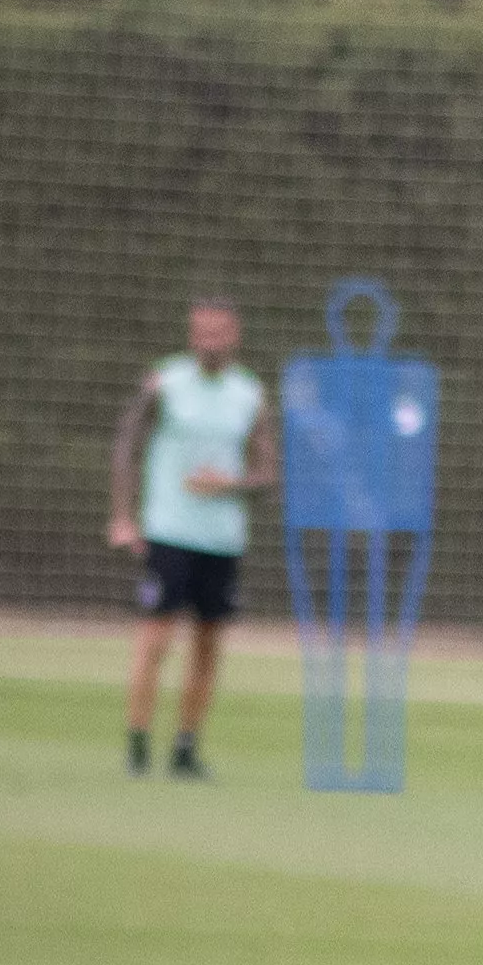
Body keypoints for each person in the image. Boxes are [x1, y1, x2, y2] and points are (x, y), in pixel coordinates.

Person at [107, 298, 275, 779]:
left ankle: (185, 748)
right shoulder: (165, 382)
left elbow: (267, 473)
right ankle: (138, 743)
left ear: (234, 335)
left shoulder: (250, 393)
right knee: (156, 636)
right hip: (169, 530)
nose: (207, 342)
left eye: (217, 333)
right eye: (199, 332)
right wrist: (123, 516)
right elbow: (126, 443)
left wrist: (230, 485)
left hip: (222, 539)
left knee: (208, 644)